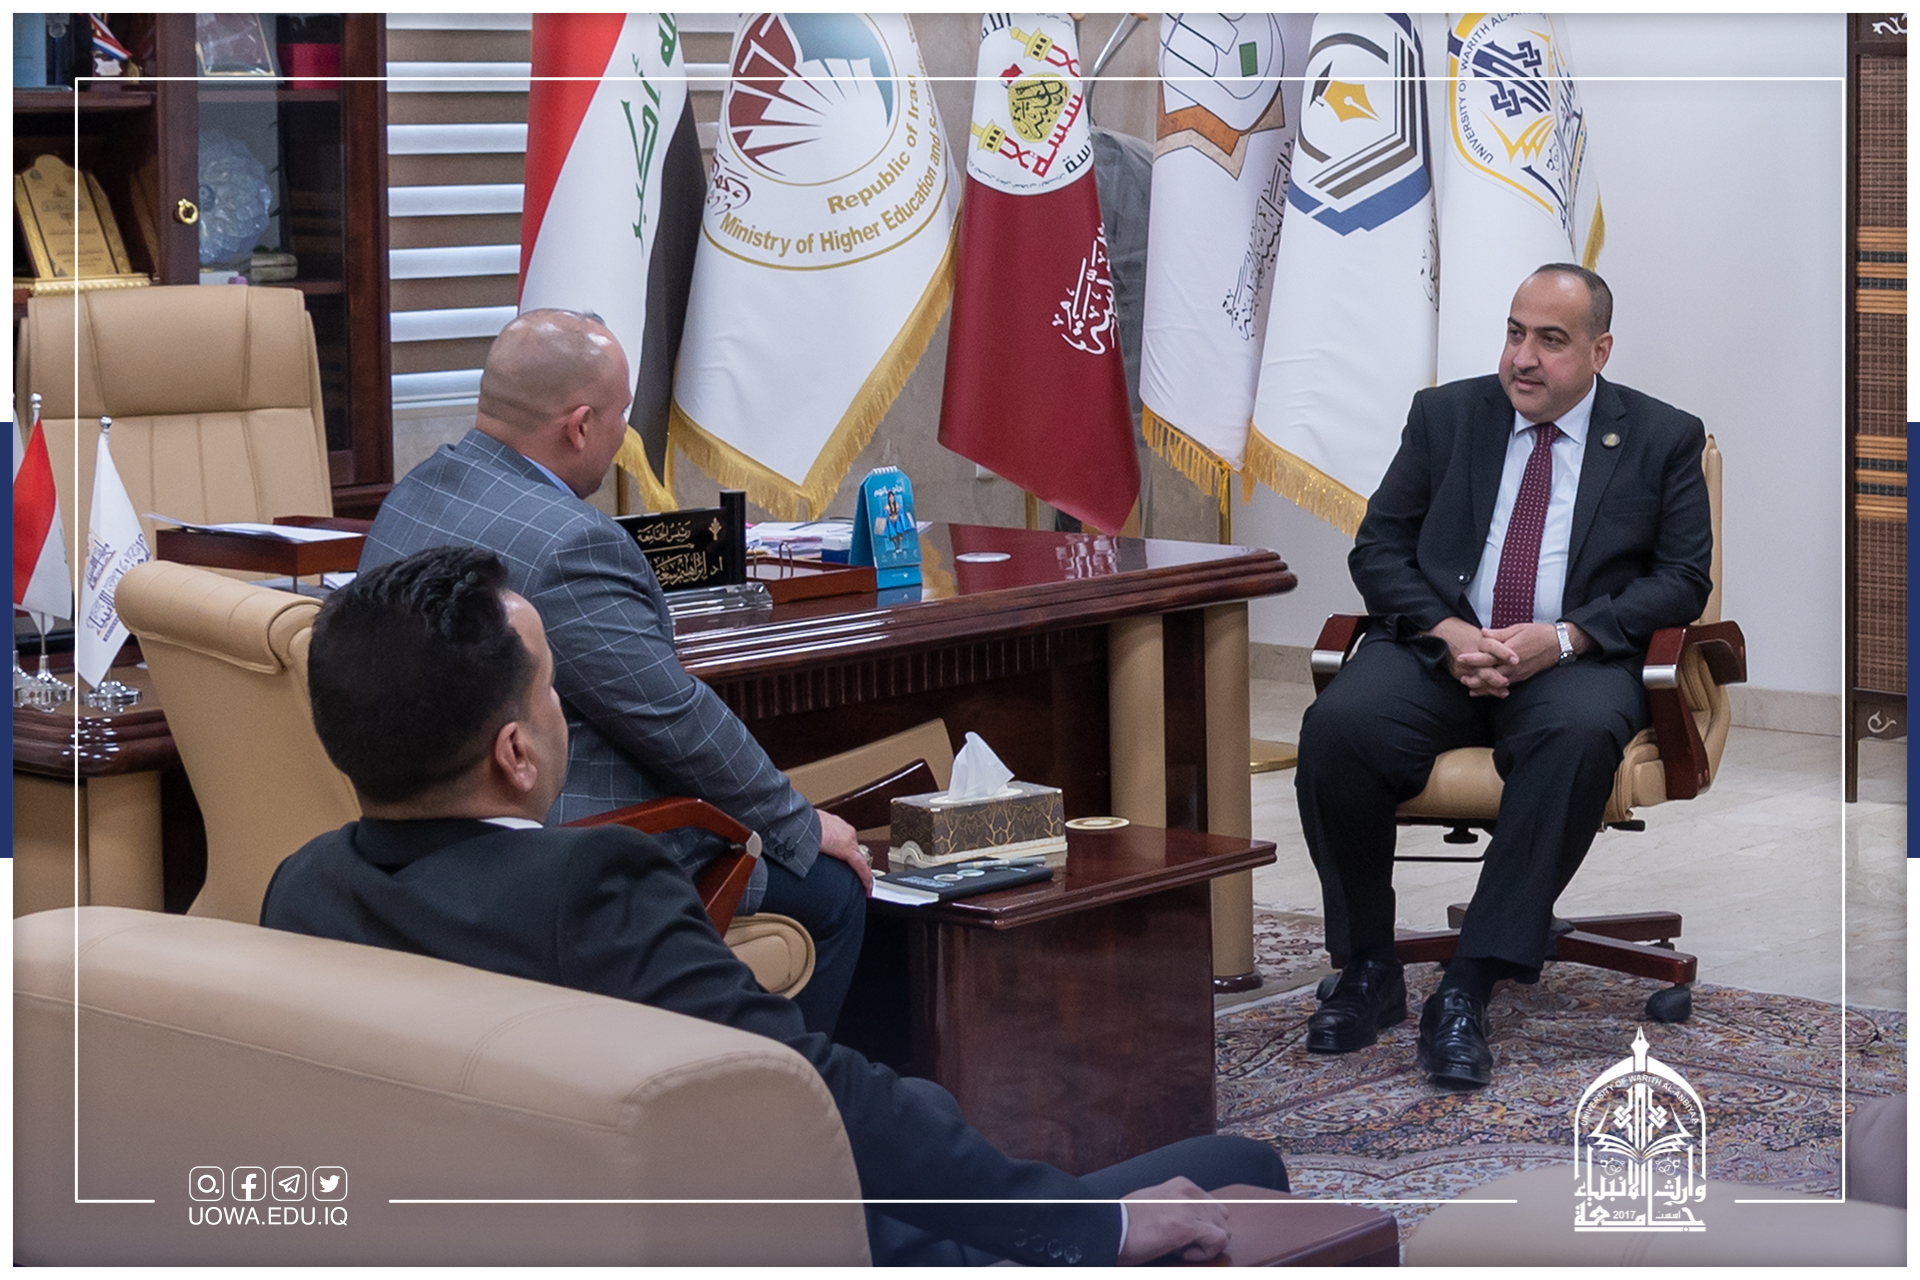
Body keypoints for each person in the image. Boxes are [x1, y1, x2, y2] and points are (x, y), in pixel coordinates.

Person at [263, 546, 1288, 1265]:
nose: (563, 709)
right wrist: (1093, 1225)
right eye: (552, 691)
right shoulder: (592, 887)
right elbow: (805, 1093)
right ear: (516, 752)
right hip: (757, 1243)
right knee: (1240, 1168)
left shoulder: (300, 889)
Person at [360, 309, 867, 1036]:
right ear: (579, 427)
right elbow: (674, 719)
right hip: (564, 848)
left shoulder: (412, 495)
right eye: (622, 415)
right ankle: (783, 1097)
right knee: (834, 888)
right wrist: (798, 824)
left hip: (421, 847)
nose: (624, 434)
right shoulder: (571, 545)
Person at [1295, 265, 1713, 1089]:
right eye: (1515, 333)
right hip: (1440, 653)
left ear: (1599, 351)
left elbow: (1681, 580)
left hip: (1572, 660)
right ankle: (1368, 965)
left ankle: (1469, 982)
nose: (1523, 357)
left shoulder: (1662, 436)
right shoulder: (1446, 416)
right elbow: (1379, 549)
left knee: (1577, 735)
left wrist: (1564, 637)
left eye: (1551, 341)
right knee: (1340, 727)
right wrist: (1450, 633)